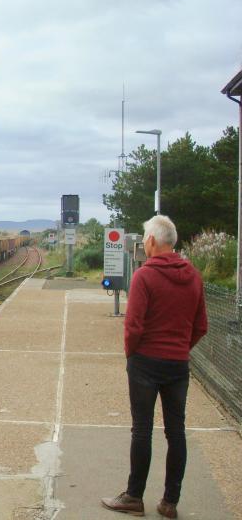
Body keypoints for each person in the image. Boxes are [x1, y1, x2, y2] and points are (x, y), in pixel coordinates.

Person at [101, 215, 208, 518]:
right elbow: (201, 325)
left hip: (145, 364)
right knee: (176, 433)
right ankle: (170, 502)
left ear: (150, 241)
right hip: (178, 366)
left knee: (142, 431)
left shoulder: (145, 276)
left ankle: (134, 497)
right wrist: (179, 348)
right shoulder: (194, 276)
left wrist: (132, 355)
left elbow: (133, 326)